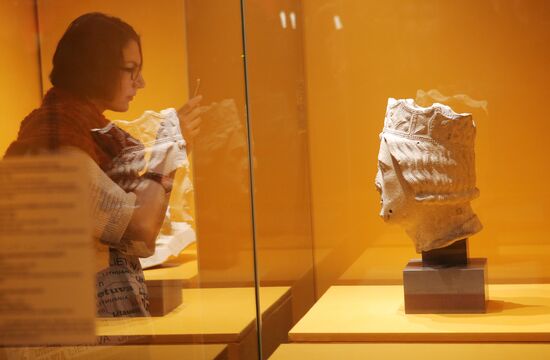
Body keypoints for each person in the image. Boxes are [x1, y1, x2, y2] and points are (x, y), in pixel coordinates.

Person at [4, 12, 202, 317]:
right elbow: (139, 232)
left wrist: (170, 146)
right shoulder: (54, 143)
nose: (141, 82)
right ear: (96, 68)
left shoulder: (85, 133)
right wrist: (169, 148)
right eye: (130, 70)